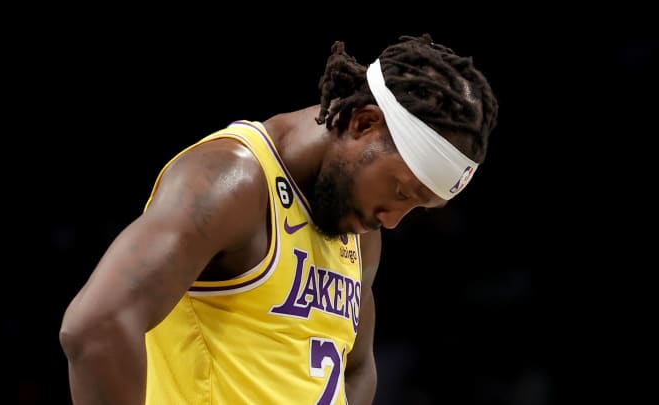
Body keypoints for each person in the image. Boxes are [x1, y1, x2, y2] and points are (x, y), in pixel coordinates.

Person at [59, 33, 499, 405]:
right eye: (401, 191)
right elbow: (97, 327)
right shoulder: (232, 183)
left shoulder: (355, 226)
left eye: (417, 207)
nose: (393, 220)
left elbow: (358, 369)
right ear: (364, 123)